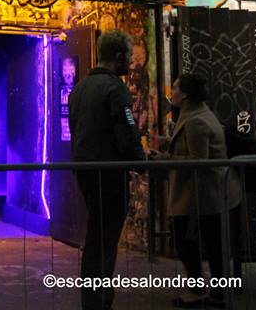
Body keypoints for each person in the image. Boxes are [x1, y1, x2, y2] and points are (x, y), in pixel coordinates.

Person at [151, 73, 242, 308]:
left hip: (201, 195)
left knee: (187, 241)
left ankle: (202, 289)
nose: (172, 93)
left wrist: (163, 158)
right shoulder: (198, 114)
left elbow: (196, 159)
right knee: (211, 243)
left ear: (186, 95)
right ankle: (215, 292)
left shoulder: (196, 120)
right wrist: (167, 140)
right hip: (208, 193)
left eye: (176, 89)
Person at [69, 29, 145, 310]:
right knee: (106, 240)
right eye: (129, 57)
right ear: (118, 56)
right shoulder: (115, 89)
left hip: (86, 171)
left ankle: (92, 299)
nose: (132, 63)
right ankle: (100, 301)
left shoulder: (79, 88)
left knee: (95, 237)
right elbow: (126, 133)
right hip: (109, 174)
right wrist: (141, 163)